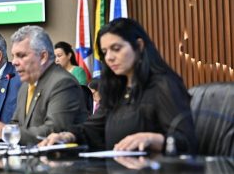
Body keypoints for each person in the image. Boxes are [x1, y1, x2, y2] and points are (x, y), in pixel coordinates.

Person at [40, 18, 197, 155]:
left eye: (116, 49)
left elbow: (187, 141)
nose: (109, 57)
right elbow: (94, 129)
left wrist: (153, 139)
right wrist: (67, 136)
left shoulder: (164, 85)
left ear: (139, 46)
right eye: (104, 52)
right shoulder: (116, 88)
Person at [0, 25, 87, 145]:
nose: (14, 62)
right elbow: (17, 124)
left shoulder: (62, 83)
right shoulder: (26, 85)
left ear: (43, 57)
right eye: (13, 56)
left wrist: (4, 131)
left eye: (21, 55)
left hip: (59, 161)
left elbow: (53, 131)